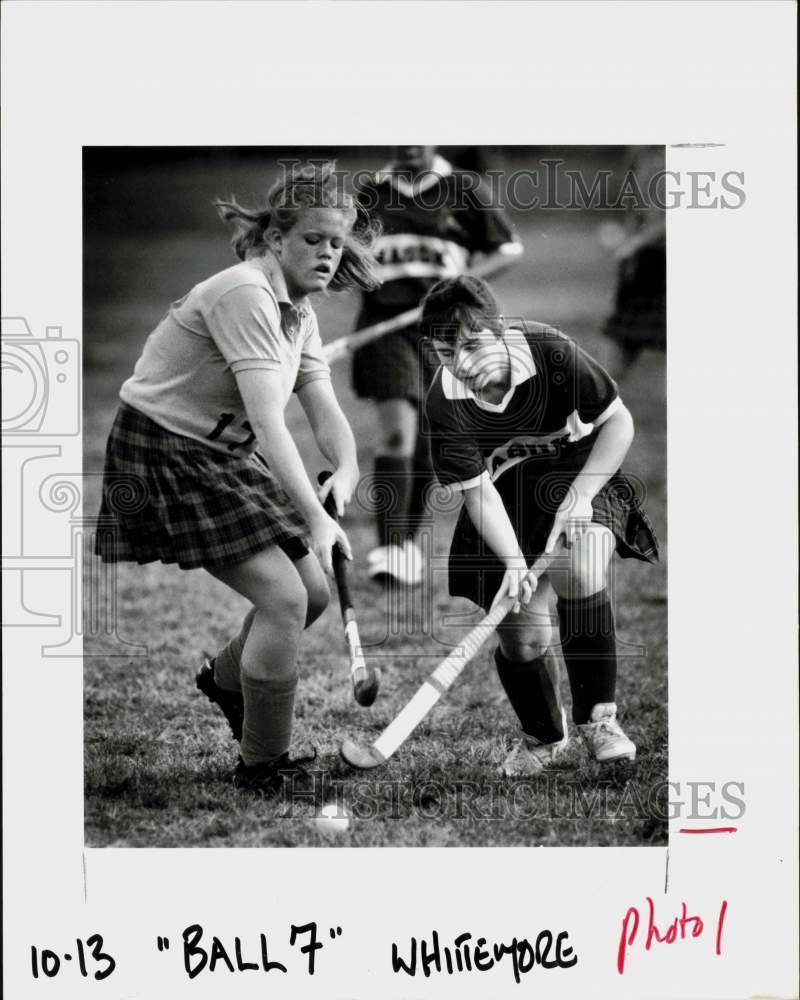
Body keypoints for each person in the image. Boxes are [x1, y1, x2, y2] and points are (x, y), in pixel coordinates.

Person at [95, 162, 380, 795]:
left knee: (314, 594)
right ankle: (264, 766)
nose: (328, 254)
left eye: (337, 242)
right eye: (314, 239)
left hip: (221, 452)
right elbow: (271, 424)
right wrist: (314, 516)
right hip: (168, 447)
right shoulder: (247, 295)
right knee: (283, 598)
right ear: (277, 238)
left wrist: (349, 469)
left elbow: (322, 406)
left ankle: (226, 679)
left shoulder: (298, 313)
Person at [420, 276, 658, 776]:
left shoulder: (550, 350)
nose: (463, 364)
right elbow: (479, 491)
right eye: (447, 352)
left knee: (580, 563)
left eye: (472, 344)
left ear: (500, 331)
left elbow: (619, 423)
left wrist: (580, 497)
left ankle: (600, 720)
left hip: (583, 471)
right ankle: (545, 736)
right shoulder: (444, 404)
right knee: (522, 638)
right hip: (506, 498)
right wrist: (512, 560)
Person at [352, 145, 523, 585]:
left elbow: (507, 249)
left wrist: (456, 288)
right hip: (385, 325)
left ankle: (406, 543)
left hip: (442, 329)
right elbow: (344, 256)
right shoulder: (370, 192)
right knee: (397, 431)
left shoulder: (463, 188)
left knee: (430, 434)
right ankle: (388, 547)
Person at [602, 146, 666, 380]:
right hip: (645, 263)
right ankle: (595, 411)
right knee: (613, 360)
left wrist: (635, 243)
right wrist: (628, 252)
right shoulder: (639, 153)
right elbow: (633, 210)